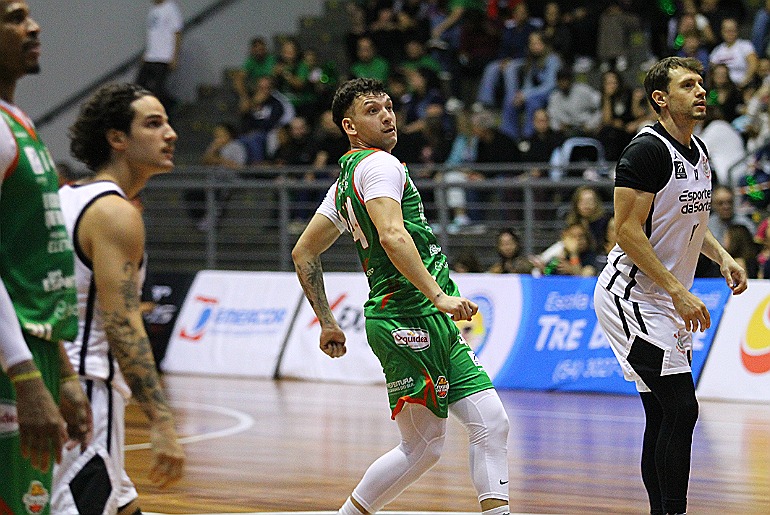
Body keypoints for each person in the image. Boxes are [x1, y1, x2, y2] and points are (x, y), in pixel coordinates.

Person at [292, 78, 511, 515]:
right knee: (424, 445)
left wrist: (329, 322)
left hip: (427, 319)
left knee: (491, 423)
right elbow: (393, 236)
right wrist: (439, 295)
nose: (388, 116)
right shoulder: (379, 165)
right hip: (407, 318)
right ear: (350, 126)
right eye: (372, 110)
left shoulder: (346, 181)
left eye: (389, 107)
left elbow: (304, 252)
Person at [593, 57, 748, 515]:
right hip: (631, 297)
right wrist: (678, 291)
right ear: (661, 98)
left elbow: (691, 220)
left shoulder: (699, 150)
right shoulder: (645, 152)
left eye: (701, 84)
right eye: (688, 85)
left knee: (663, 413)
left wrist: (722, 256)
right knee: (682, 408)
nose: (701, 91)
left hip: (665, 298)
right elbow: (626, 231)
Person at [53, 83, 185, 515]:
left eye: (167, 122)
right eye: (153, 124)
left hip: (57, 376)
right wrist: (161, 420)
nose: (170, 133)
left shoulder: (65, 198)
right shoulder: (115, 213)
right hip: (87, 390)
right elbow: (122, 323)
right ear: (117, 138)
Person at [0, 3, 92, 513]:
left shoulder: (19, 123)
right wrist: (24, 375)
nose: (33, 27)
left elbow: (29, 273)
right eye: (14, 17)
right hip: (11, 362)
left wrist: (65, 374)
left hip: (34, 352)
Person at [185, 121, 247, 231]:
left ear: (229, 134)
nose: (218, 136)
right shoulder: (214, 146)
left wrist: (218, 160)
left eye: (221, 133)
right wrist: (213, 150)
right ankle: (200, 221)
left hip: (230, 180)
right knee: (192, 194)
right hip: (213, 180)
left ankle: (211, 222)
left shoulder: (236, 146)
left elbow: (238, 166)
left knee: (218, 194)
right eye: (217, 133)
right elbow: (205, 162)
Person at [136, 0, 183, 111]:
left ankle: (172, 105)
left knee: (157, 89)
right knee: (139, 86)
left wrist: (174, 56)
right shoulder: (153, 10)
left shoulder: (171, 8)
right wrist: (146, 52)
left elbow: (177, 33)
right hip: (150, 56)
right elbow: (152, 35)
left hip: (164, 57)